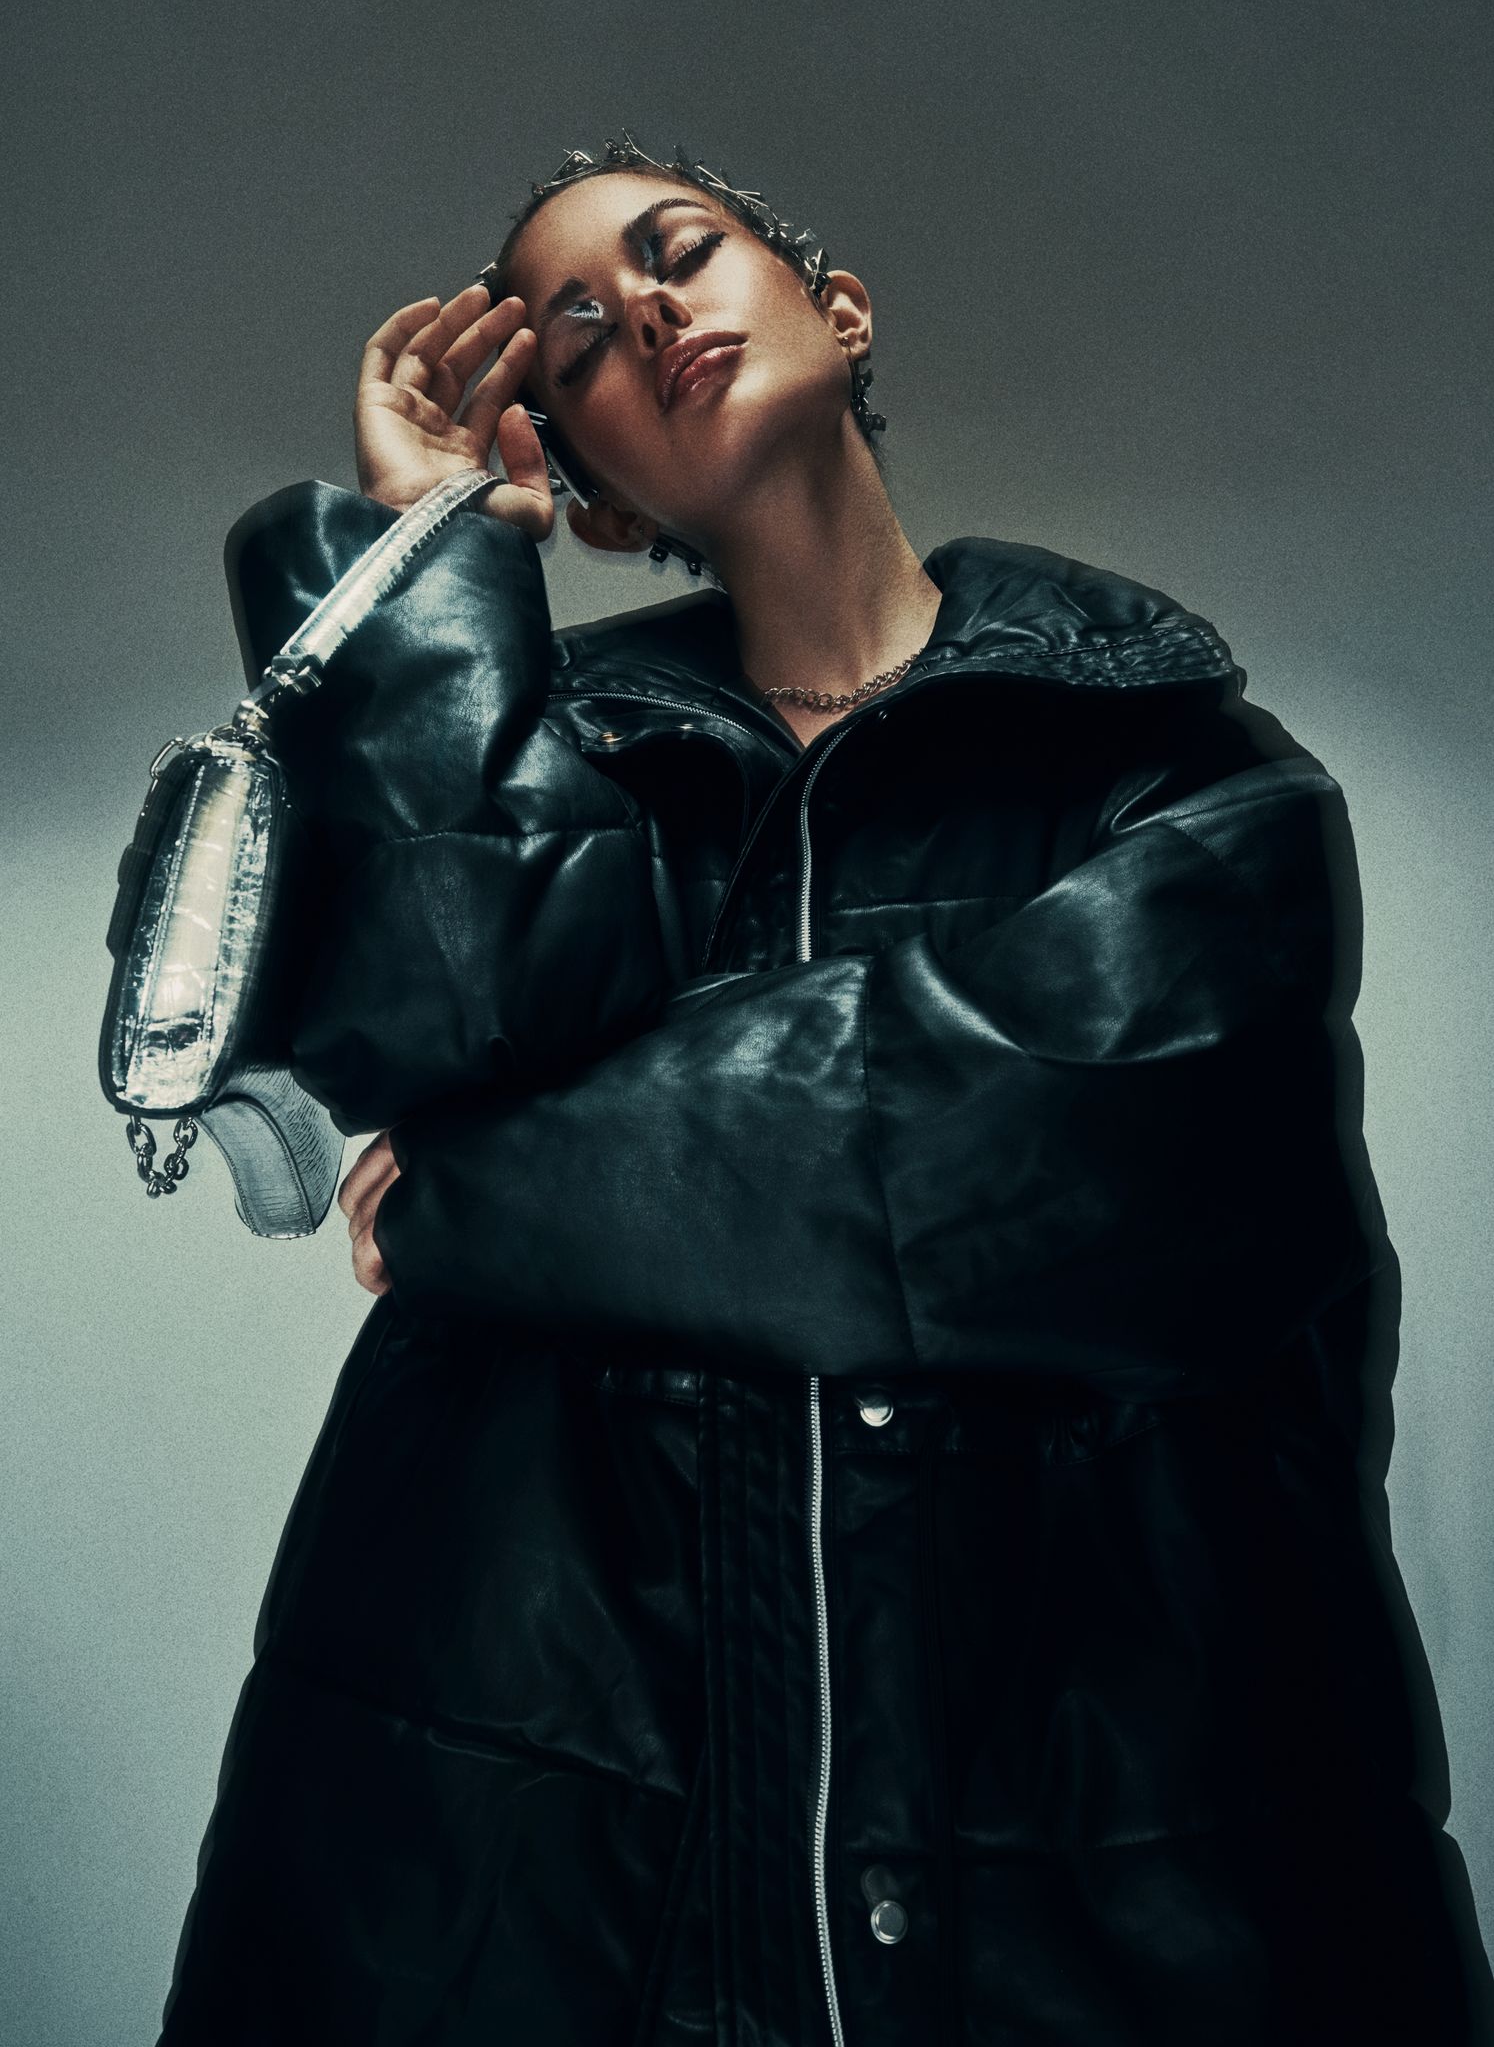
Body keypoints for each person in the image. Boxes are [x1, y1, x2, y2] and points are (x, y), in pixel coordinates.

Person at [158, 135, 1494, 2044]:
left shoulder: (1179, 765)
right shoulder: (554, 774)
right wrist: (426, 570)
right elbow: (421, 1022)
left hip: (1100, 1830)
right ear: (593, 487)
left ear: (836, 306)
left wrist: (470, 1190)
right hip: (548, 1831)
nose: (647, 316)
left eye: (679, 254)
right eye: (580, 340)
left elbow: (1031, 1154)